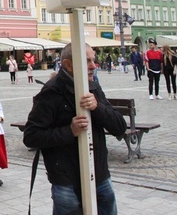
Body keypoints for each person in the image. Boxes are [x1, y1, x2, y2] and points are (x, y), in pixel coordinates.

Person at [24, 42, 127, 214]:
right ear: (68, 65)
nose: (93, 66)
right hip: (67, 179)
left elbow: (120, 127)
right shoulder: (51, 92)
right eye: (87, 61)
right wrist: (69, 131)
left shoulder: (92, 86)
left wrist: (97, 108)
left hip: (99, 174)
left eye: (93, 60)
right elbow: (31, 136)